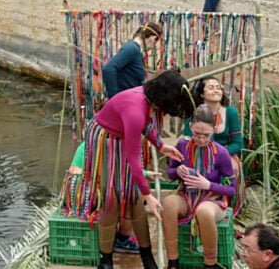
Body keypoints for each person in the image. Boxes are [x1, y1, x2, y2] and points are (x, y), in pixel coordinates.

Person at [75, 69, 196, 269]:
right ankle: (106, 261)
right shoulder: (135, 111)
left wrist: (160, 145)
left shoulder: (148, 101)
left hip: (122, 135)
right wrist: (148, 194)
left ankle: (146, 256)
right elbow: (133, 159)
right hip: (105, 139)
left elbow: (147, 124)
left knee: (132, 196)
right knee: (112, 197)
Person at [162, 104, 236, 269]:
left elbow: (232, 189)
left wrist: (208, 184)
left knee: (203, 211)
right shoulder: (182, 145)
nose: (201, 139)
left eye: (206, 135)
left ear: (215, 129)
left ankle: (210, 263)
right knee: (167, 204)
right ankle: (173, 262)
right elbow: (170, 173)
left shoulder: (221, 152)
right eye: (197, 134)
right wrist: (177, 171)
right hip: (187, 196)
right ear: (190, 127)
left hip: (212, 200)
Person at [66, 140, 160, 254]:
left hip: (79, 194)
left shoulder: (93, 140)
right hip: (85, 197)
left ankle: (118, 237)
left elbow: (121, 168)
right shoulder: (108, 143)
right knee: (133, 196)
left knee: (126, 190)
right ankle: (122, 239)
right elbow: (120, 170)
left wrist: (145, 173)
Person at [102, 22, 162, 99]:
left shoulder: (137, 51)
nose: (153, 46)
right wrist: (114, 98)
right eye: (155, 41)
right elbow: (109, 69)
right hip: (123, 102)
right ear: (152, 37)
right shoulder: (132, 49)